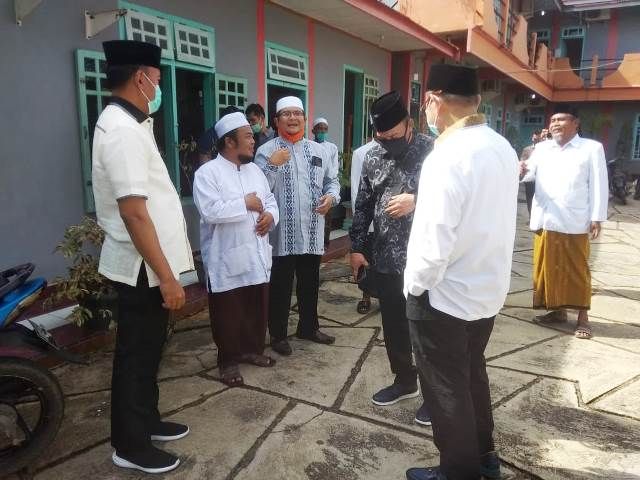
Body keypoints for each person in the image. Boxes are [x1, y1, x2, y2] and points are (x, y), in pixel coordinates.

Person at [403, 64, 519, 480]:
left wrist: (415, 287)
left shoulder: (447, 155)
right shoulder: (502, 147)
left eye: (426, 105)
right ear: (476, 101)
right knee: (472, 374)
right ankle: (485, 458)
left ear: (434, 101)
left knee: (445, 387)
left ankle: (458, 472)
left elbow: (434, 239)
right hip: (486, 289)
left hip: (443, 296)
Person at [92, 40, 194, 474]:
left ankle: (146, 421)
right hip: (141, 269)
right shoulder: (121, 130)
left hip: (146, 267)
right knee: (135, 357)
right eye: (157, 78)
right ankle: (130, 445)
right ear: (140, 78)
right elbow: (134, 213)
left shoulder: (130, 123)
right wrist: (167, 277)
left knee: (149, 351)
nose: (159, 86)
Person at [349, 91, 434, 426]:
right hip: (386, 257)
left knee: (426, 331)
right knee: (394, 327)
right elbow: (363, 205)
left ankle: (434, 396)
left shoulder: (434, 152)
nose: (388, 143)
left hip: (425, 259)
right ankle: (404, 380)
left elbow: (456, 199)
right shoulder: (372, 157)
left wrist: (418, 200)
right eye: (381, 137)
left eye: (394, 136)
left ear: (409, 124)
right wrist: (357, 248)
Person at [193, 111, 279, 388]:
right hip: (226, 258)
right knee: (228, 313)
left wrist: (270, 216)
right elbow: (210, 211)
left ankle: (252, 350)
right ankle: (228, 360)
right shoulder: (207, 173)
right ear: (229, 142)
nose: (253, 141)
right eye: (248, 137)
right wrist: (245, 203)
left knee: (256, 307)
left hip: (257, 254)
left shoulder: (255, 171)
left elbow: (270, 201)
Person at [255, 96, 341, 356]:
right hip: (281, 234)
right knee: (281, 286)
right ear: (276, 120)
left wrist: (331, 197)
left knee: (310, 283)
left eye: (297, 113)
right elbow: (259, 191)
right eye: (286, 114)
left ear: (305, 119)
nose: (292, 118)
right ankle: (278, 334)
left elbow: (332, 181)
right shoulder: (266, 151)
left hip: (312, 229)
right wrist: (273, 165)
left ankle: (308, 327)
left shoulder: (319, 150)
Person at [520, 104, 608, 340]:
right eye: (553, 120)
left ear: (576, 123)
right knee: (547, 269)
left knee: (577, 270)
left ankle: (583, 318)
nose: (555, 124)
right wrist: (521, 170)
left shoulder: (591, 148)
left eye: (561, 119)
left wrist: (597, 217)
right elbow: (529, 174)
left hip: (574, 220)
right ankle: (557, 312)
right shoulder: (542, 148)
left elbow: (599, 184)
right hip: (546, 217)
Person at [350, 138, 377, 314]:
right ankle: (365, 296)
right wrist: (359, 221)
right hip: (367, 218)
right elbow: (356, 189)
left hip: (392, 220)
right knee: (366, 259)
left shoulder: (400, 148)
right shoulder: (361, 153)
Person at [312, 117, 340, 247]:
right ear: (313, 130)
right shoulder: (309, 146)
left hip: (327, 186)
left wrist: (329, 185)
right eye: (319, 129)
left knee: (327, 215)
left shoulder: (332, 148)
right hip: (313, 186)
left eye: (324, 129)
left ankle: (325, 242)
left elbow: (334, 168)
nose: (322, 131)